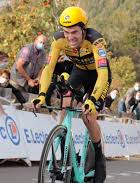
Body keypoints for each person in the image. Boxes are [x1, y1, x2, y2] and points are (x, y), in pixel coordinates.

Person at [32, 7, 111, 183]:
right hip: (79, 72)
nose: (70, 37)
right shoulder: (58, 40)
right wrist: (42, 95)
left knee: (88, 116)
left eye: (74, 32)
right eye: (66, 32)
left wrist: (91, 99)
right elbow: (48, 68)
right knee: (65, 102)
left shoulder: (96, 41)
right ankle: (63, 141)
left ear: (84, 29)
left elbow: (103, 74)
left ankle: (99, 157)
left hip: (98, 76)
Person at [10, 34, 47, 102]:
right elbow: (19, 66)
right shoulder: (27, 50)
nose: (42, 44)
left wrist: (38, 78)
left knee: (24, 102)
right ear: (35, 40)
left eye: (44, 43)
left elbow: (42, 67)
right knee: (14, 102)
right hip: (17, 81)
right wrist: (29, 80)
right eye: (40, 42)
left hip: (27, 83)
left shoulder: (43, 53)